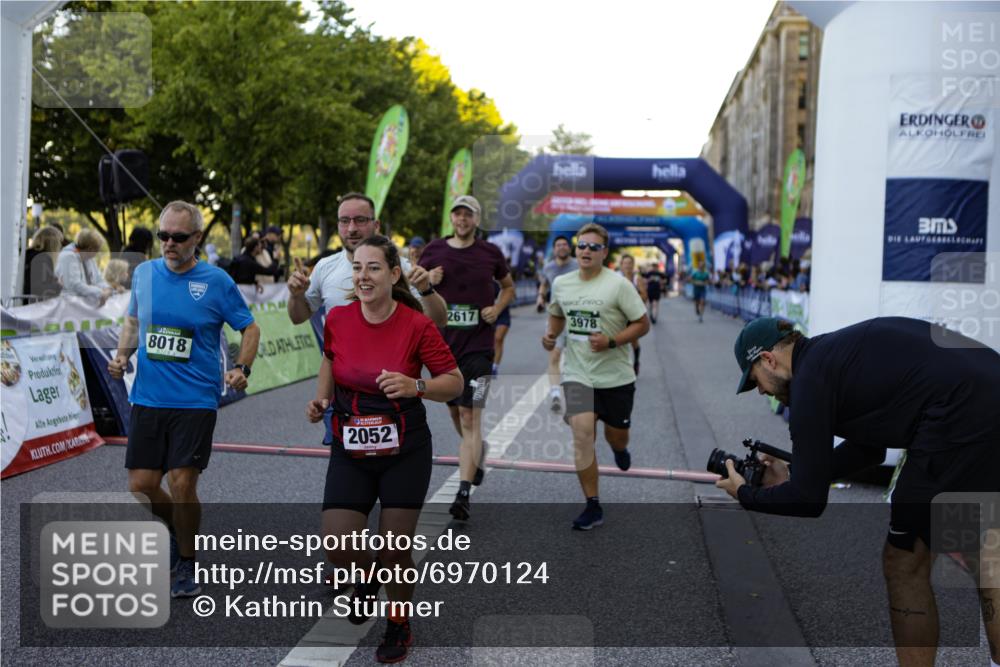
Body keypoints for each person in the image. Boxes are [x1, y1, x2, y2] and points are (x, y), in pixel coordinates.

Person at [718, 316, 1000, 667]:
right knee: (986, 551)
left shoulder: (809, 381)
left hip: (960, 415)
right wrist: (794, 472)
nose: (760, 390)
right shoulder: (832, 358)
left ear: (769, 360)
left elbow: (809, 500)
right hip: (988, 385)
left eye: (754, 380)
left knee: (904, 561)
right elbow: (868, 450)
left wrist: (745, 493)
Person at [306, 235, 462, 663]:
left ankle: (398, 622)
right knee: (338, 544)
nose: (362, 276)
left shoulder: (416, 325)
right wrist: (322, 399)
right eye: (357, 267)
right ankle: (369, 576)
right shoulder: (338, 317)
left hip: (403, 448)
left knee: (395, 547)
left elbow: (455, 380)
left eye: (373, 267)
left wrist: (418, 386)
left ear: (394, 275)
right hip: (350, 441)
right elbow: (330, 360)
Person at [108, 201, 260, 598]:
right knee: (141, 486)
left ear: (197, 238)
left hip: (195, 398)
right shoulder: (144, 274)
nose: (169, 244)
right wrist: (123, 355)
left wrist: (242, 368)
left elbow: (250, 328)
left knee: (182, 483)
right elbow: (134, 321)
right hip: (149, 396)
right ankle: (179, 527)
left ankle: (187, 560)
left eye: (178, 237)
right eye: (163, 236)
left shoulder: (216, 281)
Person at [542, 223, 650, 530]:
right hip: (577, 373)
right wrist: (550, 336)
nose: (586, 251)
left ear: (604, 252)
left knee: (615, 435)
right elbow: (557, 314)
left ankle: (619, 448)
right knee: (582, 435)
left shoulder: (618, 285)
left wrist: (612, 341)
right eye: (582, 245)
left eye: (593, 247)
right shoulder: (562, 283)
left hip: (615, 376)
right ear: (576, 250)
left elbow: (642, 324)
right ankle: (592, 505)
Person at [417, 195, 514, 521]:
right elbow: (412, 283)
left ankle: (463, 491)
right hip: (444, 350)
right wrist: (428, 281)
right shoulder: (433, 250)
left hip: (480, 349)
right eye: (457, 214)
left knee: (472, 417)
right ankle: (477, 453)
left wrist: (497, 309)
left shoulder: (490, 253)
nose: (462, 220)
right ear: (452, 218)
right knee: (458, 415)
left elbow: (508, 287)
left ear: (476, 219)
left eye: (468, 215)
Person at [286, 193, 446, 328]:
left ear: (376, 225)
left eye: (360, 220)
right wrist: (296, 296)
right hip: (339, 365)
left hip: (391, 365)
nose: (351, 229)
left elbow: (439, 321)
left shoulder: (401, 268)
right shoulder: (324, 267)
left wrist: (426, 289)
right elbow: (297, 318)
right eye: (344, 221)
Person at [536, 236, 578, 412]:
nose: (561, 247)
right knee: (554, 355)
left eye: (564, 244)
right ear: (554, 249)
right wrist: (540, 297)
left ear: (569, 248)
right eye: (558, 245)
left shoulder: (578, 265)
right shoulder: (549, 267)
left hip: (577, 316)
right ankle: (555, 394)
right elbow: (544, 284)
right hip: (556, 316)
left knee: (577, 359)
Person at [54, 228, 114, 306]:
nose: (97, 253)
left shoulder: (89, 258)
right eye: (97, 249)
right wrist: (100, 293)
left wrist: (108, 289)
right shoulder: (68, 257)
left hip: (84, 303)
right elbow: (75, 285)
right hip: (68, 304)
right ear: (90, 248)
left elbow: (98, 279)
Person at [617, 254, 647, 375]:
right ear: (621, 265)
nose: (627, 266)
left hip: (632, 315)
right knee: (618, 341)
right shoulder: (617, 277)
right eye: (625, 263)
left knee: (633, 341)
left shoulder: (636, 279)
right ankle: (621, 366)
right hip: (619, 315)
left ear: (633, 265)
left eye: (630, 263)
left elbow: (645, 296)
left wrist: (631, 299)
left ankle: (636, 361)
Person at [22, 226, 63, 301]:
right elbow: (40, 288)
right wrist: (59, 285)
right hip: (33, 305)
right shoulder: (43, 258)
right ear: (54, 243)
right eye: (59, 242)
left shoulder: (28, 253)